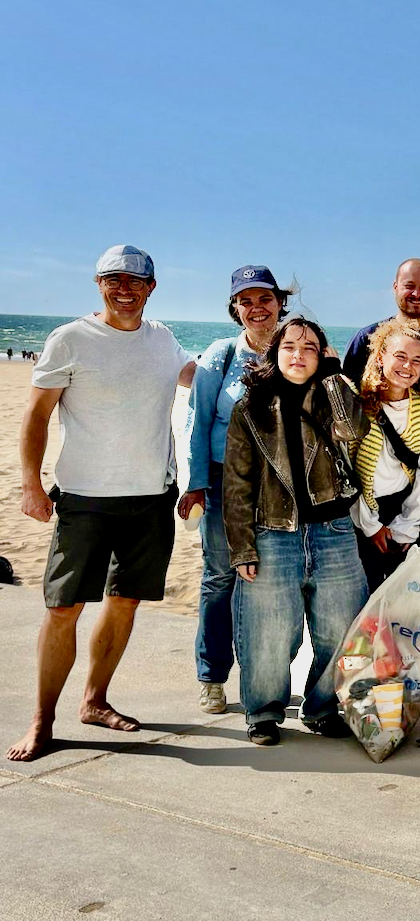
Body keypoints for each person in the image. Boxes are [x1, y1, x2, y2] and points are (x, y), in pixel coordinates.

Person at [8, 245, 195, 762]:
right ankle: (43, 720)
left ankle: (95, 702)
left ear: (152, 288)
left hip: (152, 498)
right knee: (63, 607)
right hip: (85, 500)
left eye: (137, 281)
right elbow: (35, 417)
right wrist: (30, 485)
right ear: (98, 284)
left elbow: (198, 381)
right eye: (115, 280)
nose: (126, 289)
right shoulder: (69, 339)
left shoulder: (163, 340)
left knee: (125, 601)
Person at [222, 319, 369, 746]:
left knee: (339, 630)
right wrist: (242, 547)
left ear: (321, 353)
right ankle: (264, 712)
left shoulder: (335, 396)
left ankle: (322, 708)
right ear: (274, 354)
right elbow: (237, 484)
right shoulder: (249, 410)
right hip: (272, 533)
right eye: (289, 346)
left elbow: (353, 431)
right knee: (269, 632)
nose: (298, 354)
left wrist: (335, 375)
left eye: (310, 347)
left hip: (334, 530)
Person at [180, 265, 291, 716]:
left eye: (263, 298)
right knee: (221, 578)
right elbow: (198, 420)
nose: (255, 308)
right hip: (226, 485)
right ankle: (212, 677)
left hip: (282, 488)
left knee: (273, 584)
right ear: (235, 309)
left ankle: (264, 680)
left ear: (279, 302)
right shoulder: (219, 356)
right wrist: (197, 484)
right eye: (245, 301)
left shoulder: (298, 349)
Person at [350, 322, 420, 592]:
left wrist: (408, 525)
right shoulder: (358, 405)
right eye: (400, 357)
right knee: (365, 603)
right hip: (362, 515)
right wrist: (370, 525)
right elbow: (347, 471)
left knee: (405, 606)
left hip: (406, 511)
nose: (408, 366)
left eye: (416, 360)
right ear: (381, 357)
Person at [342, 258, 420, 386]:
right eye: (409, 286)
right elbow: (347, 390)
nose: (416, 293)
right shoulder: (367, 338)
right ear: (395, 288)